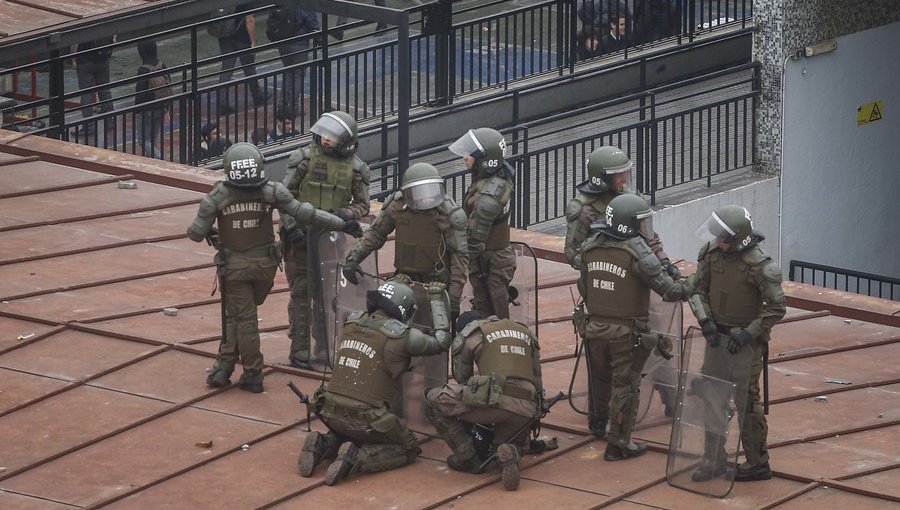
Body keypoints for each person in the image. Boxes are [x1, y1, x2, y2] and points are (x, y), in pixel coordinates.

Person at [186, 142, 363, 393]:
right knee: (236, 314)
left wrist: (213, 232)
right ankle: (224, 365)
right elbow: (306, 213)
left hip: (235, 268)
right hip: (267, 267)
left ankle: (253, 373)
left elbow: (195, 233)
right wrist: (341, 224)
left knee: (243, 319)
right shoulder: (271, 191)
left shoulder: (219, 196)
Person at [298, 276, 452, 485]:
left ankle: (322, 444)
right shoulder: (403, 337)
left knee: (346, 428)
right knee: (408, 447)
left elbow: (336, 302)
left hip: (328, 409)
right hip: (365, 417)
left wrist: (391, 286)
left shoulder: (350, 320)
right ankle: (356, 458)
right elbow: (442, 342)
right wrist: (436, 299)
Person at [573, 193, 692, 460]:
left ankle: (596, 424)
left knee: (599, 379)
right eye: (642, 222)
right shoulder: (637, 251)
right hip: (627, 334)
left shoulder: (592, 246)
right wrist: (694, 284)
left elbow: (585, 286)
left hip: (594, 328)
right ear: (630, 224)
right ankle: (619, 443)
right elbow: (669, 290)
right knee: (625, 387)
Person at [688, 205, 785, 482]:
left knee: (747, 404)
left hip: (745, 345)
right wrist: (705, 319)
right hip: (716, 338)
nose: (717, 240)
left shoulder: (760, 265)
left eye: (722, 237)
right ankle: (713, 458)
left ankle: (757, 461)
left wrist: (749, 333)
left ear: (737, 238)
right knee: (712, 398)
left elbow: (776, 307)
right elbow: (697, 290)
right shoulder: (711, 254)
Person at [281, 111, 370, 370]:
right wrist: (291, 227)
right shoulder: (305, 159)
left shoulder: (356, 169)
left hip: (331, 240)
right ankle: (299, 351)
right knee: (300, 293)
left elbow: (363, 205)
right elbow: (285, 196)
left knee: (327, 296)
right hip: (301, 238)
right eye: (325, 134)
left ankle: (323, 348)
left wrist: (346, 214)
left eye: (332, 136)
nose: (326, 139)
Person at [424, 311, 543, 491]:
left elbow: (462, 379)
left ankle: (468, 459)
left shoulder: (472, 334)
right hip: (527, 409)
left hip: (497, 404)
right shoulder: (523, 331)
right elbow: (537, 379)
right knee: (500, 449)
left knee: (435, 399)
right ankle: (510, 453)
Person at [342, 162, 468, 328]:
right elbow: (375, 234)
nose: (427, 197)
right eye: (421, 192)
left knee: (432, 332)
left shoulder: (449, 214)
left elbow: (460, 257)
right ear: (409, 192)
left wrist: (453, 299)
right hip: (404, 276)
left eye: (431, 191)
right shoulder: (398, 206)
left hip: (436, 282)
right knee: (390, 323)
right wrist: (353, 258)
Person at [449, 127, 516, 319]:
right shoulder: (491, 180)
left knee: (496, 312)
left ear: (485, 160)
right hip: (486, 259)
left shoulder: (489, 196)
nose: (464, 157)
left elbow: (474, 242)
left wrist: (454, 265)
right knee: (483, 306)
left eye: (470, 153)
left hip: (492, 261)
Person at [213, 3, 267, 115]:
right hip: (242, 38)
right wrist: (253, 41)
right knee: (249, 68)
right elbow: (249, 20)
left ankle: (221, 103)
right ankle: (258, 96)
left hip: (225, 37)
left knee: (226, 69)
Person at [266, 5, 319, 111]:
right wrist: (319, 36)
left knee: (288, 72)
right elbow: (311, 21)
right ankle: (293, 106)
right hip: (299, 43)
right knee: (298, 75)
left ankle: (282, 104)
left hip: (283, 41)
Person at [73, 35, 115, 135]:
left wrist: (73, 59)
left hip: (85, 60)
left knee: (85, 93)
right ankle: (109, 121)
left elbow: (74, 42)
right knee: (105, 90)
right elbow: (113, 38)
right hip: (103, 58)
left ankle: (88, 126)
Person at [135, 39, 170, 160]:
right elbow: (168, 86)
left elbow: (140, 93)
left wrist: (137, 109)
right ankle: (155, 160)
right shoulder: (162, 65)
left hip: (147, 109)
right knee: (153, 137)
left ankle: (159, 159)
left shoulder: (143, 70)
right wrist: (167, 108)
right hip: (161, 107)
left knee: (143, 140)